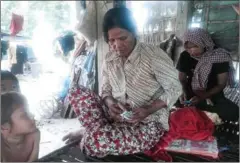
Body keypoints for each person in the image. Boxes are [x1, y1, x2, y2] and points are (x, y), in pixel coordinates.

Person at [62, 7, 181, 157]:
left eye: (123, 38)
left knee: (94, 143)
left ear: (134, 32)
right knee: (76, 92)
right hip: (116, 119)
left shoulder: (153, 55)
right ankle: (98, 131)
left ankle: (92, 133)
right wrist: (111, 104)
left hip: (147, 124)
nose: (117, 45)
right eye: (112, 40)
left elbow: (175, 89)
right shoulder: (110, 59)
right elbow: (105, 91)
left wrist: (148, 109)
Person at [176, 28, 239, 121]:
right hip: (191, 90)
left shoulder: (219, 56)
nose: (191, 52)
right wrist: (183, 92)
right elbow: (182, 79)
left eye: (195, 47)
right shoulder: (185, 56)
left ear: (204, 43)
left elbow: (221, 84)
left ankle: (199, 112)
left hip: (212, 92)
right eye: (188, 48)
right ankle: (200, 112)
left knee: (233, 112)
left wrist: (202, 97)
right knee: (171, 102)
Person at [1, 92, 40, 162]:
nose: (32, 115)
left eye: (29, 111)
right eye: (24, 114)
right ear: (4, 127)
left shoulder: (35, 135)